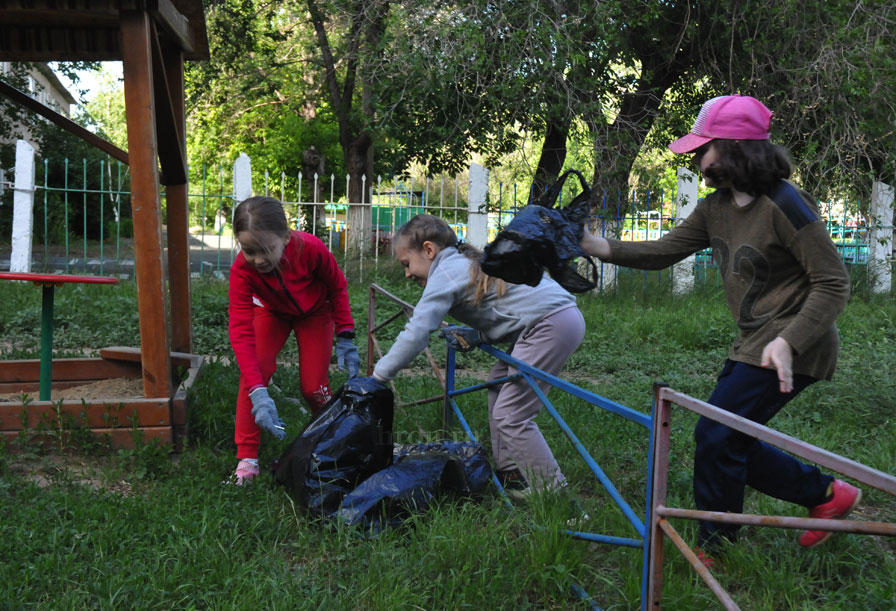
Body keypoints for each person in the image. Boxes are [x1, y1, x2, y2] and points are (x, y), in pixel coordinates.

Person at [579, 95, 860, 553]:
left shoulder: (785, 204)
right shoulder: (717, 207)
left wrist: (790, 341)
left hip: (797, 343)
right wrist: (594, 244)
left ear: (734, 148)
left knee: (717, 436)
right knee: (725, 438)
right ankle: (826, 495)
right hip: (756, 341)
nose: (695, 157)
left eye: (701, 148)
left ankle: (717, 548)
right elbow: (663, 252)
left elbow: (833, 282)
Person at [361, 213, 586, 498]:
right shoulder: (461, 264)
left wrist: (379, 376)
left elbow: (417, 332)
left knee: (513, 415)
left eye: (407, 264)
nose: (407, 274)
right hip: (550, 320)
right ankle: (512, 474)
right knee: (496, 383)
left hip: (551, 324)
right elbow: (508, 313)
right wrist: (479, 335)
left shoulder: (445, 272)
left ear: (429, 250)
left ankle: (557, 499)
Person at [227, 196, 361, 485]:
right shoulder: (242, 270)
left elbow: (337, 286)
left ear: (286, 237)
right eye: (249, 251)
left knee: (314, 387)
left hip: (315, 312)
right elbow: (240, 329)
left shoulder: (311, 249)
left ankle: (329, 433)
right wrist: (258, 393)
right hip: (270, 311)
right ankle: (247, 459)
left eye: (266, 250)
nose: (258, 259)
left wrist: (346, 335)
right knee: (254, 377)